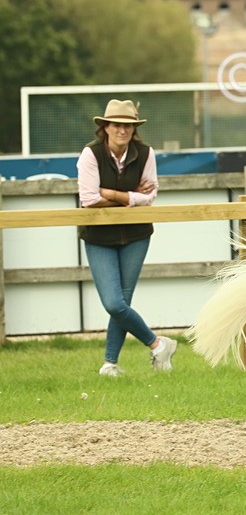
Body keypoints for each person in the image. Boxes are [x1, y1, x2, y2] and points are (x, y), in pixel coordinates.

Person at [77, 99, 177, 376]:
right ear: (106, 127)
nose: (123, 130)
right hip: (98, 237)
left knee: (123, 302)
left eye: (129, 126)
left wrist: (112, 194)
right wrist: (132, 197)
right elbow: (88, 200)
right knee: (114, 303)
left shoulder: (146, 153)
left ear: (135, 129)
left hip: (136, 234)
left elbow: (151, 195)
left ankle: (110, 364)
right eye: (117, 125)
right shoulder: (90, 154)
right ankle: (158, 345)